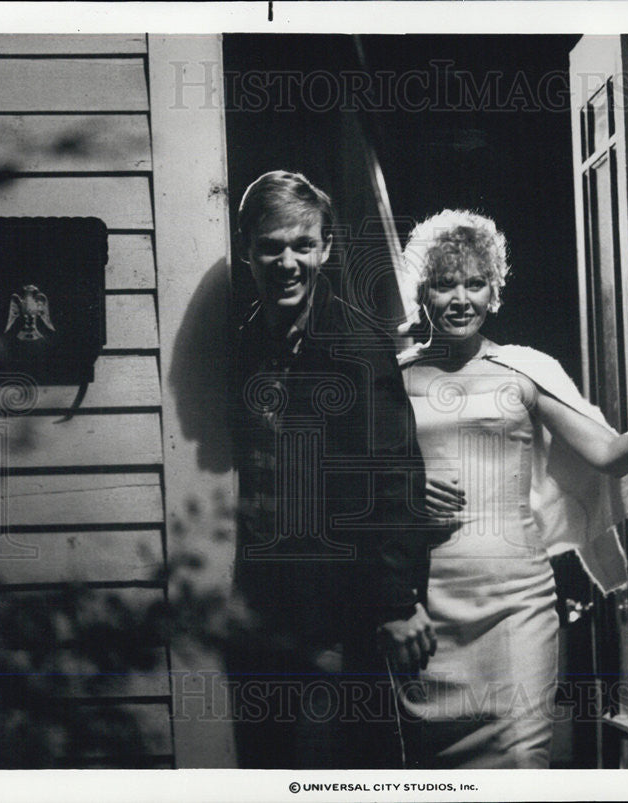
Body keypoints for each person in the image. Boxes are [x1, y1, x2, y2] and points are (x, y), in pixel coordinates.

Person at [395, 209, 628, 768]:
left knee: (524, 762)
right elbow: (356, 489)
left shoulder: (523, 370)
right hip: (426, 607)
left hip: (517, 603)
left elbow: (609, 454)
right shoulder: (393, 377)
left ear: (494, 291)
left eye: (475, 283)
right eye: (445, 283)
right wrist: (405, 494)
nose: (461, 298)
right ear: (422, 291)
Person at [224, 171, 436, 769]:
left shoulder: (356, 348)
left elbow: (392, 476)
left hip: (342, 609)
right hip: (263, 608)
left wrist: (396, 603)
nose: (286, 262)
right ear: (246, 249)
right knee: (268, 766)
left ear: (324, 248)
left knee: (350, 768)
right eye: (271, 246)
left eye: (302, 245)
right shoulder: (243, 346)